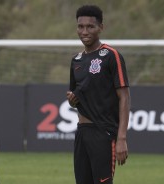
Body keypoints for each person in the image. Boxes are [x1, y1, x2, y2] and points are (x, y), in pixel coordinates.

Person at [67, 5, 130, 184]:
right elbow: (75, 98)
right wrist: (72, 100)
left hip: (104, 132)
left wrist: (122, 138)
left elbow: (124, 97)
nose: (84, 31)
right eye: (80, 26)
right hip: (82, 132)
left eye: (90, 27)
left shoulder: (111, 56)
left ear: (100, 27)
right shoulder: (76, 60)